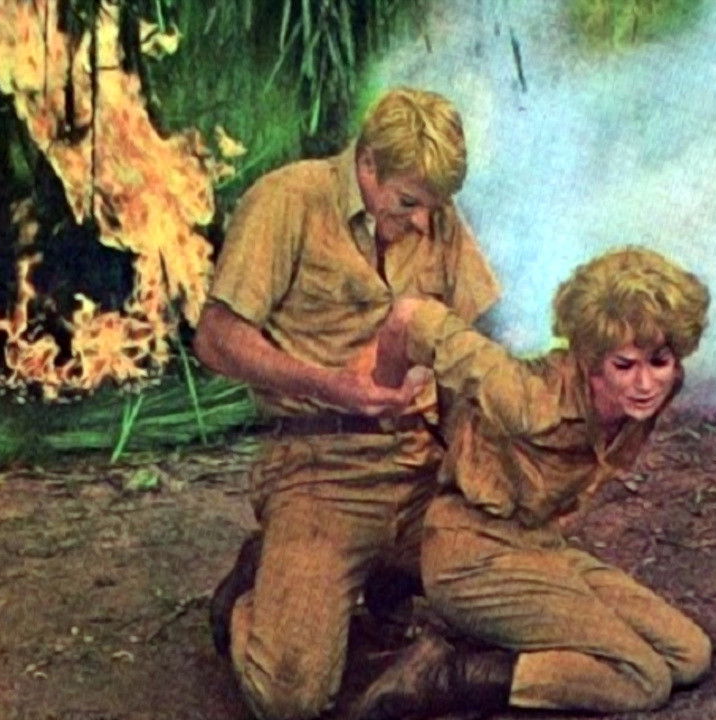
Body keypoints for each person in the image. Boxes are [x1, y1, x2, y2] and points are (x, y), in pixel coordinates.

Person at [192, 87, 501, 720]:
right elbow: (216, 338)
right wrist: (327, 384)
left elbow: (476, 332)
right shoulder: (288, 201)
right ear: (367, 165)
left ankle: (388, 576)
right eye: (407, 203)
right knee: (292, 697)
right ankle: (256, 591)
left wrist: (472, 456)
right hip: (320, 467)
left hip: (419, 462)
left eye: (435, 207)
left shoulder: (432, 211)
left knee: (521, 589)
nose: (423, 222)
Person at [352, 246, 713, 719]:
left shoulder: (652, 392)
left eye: (659, 362)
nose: (645, 384)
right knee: (641, 678)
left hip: (537, 546)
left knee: (688, 655)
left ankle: (451, 612)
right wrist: (387, 400)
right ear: (589, 359)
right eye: (624, 366)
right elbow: (411, 316)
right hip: (471, 556)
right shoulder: (529, 398)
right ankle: (447, 674)